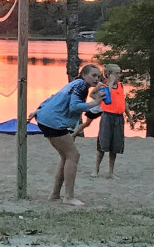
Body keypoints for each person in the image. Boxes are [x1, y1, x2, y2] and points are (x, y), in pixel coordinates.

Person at [27, 64, 105, 206]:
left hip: (47, 118)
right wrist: (95, 103)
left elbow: (54, 97)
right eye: (93, 75)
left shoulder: (75, 84)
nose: (96, 78)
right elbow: (74, 106)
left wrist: (38, 109)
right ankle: (68, 197)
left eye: (98, 76)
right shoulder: (81, 86)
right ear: (84, 75)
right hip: (53, 122)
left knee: (66, 156)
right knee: (73, 155)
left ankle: (55, 194)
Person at [87, 64, 130, 179]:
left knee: (115, 146)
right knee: (103, 144)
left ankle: (111, 172)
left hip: (118, 118)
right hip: (107, 117)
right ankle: (96, 168)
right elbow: (105, 96)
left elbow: (123, 102)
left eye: (119, 73)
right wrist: (110, 82)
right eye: (116, 73)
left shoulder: (121, 85)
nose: (119, 75)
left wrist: (129, 115)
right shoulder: (103, 86)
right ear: (109, 74)